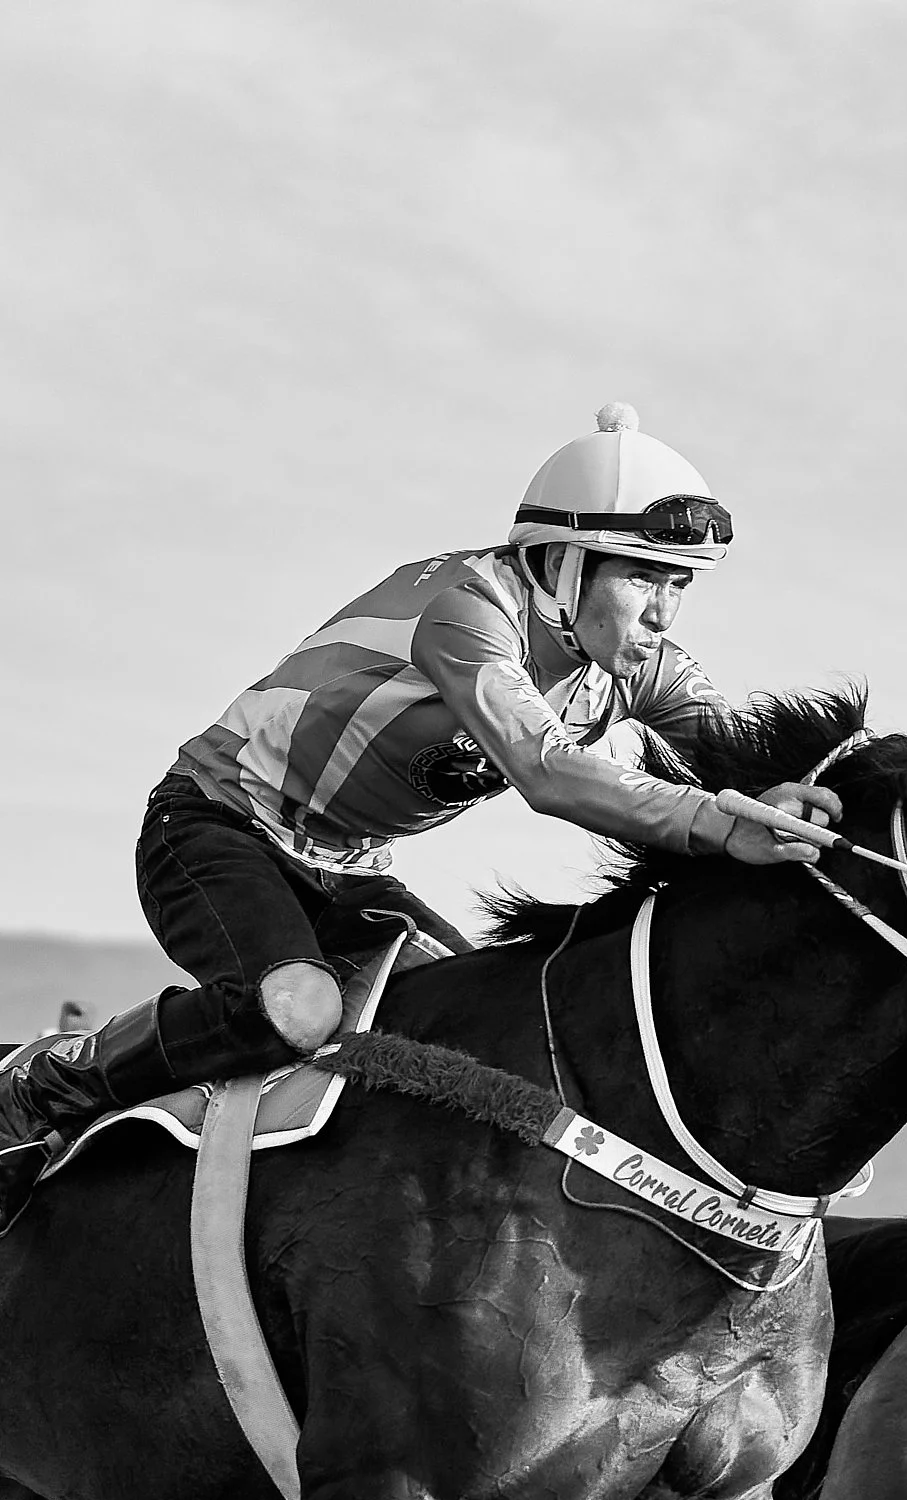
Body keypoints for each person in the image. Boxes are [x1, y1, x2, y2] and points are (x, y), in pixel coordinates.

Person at [0, 404, 841, 1225]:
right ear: (562, 563)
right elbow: (547, 773)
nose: (661, 612)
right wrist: (721, 823)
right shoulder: (469, 609)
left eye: (679, 583)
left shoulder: (641, 666)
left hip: (347, 868)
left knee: (482, 1030)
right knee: (296, 1009)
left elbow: (748, 764)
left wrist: (843, 795)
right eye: (642, 576)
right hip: (214, 826)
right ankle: (41, 1082)